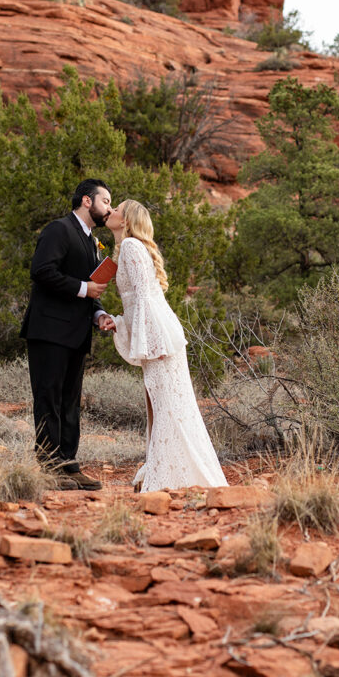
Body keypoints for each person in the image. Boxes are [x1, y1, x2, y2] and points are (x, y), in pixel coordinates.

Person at [102, 200, 227, 492]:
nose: (112, 212)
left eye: (118, 208)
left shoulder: (132, 247)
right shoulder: (128, 248)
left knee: (166, 405)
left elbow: (145, 299)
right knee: (161, 405)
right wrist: (120, 323)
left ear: (127, 220)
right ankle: (164, 469)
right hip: (159, 335)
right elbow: (138, 303)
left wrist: (147, 342)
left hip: (159, 340)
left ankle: (168, 474)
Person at [20, 179, 115, 490]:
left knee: (70, 402)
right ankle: (48, 468)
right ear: (87, 201)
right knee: (48, 398)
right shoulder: (58, 229)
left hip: (75, 333)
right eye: (106, 201)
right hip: (48, 331)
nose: (109, 208)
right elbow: (42, 271)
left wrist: (99, 312)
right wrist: (83, 288)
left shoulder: (90, 241)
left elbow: (89, 286)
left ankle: (69, 465)